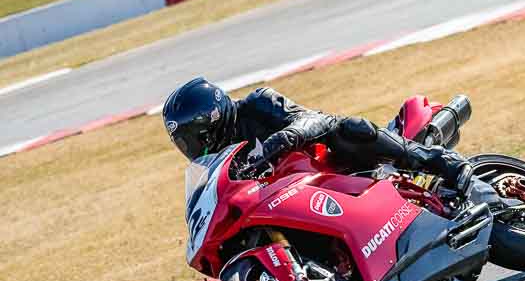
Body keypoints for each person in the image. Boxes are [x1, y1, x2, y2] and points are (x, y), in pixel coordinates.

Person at [162, 77, 473, 195]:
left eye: (192, 137)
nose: (190, 147)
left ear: (211, 120)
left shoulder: (258, 104)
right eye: (183, 143)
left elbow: (314, 119)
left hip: (336, 166)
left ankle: (444, 162)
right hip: (295, 197)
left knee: (348, 129)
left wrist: (285, 138)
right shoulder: (219, 163)